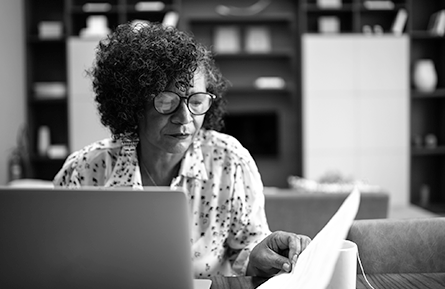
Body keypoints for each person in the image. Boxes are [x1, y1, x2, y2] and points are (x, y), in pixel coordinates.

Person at [53, 21, 310, 278]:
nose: (185, 117)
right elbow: (60, 264)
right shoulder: (85, 171)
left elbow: (248, 255)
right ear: (133, 104)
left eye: (197, 101)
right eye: (166, 102)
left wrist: (261, 256)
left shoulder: (229, 161)